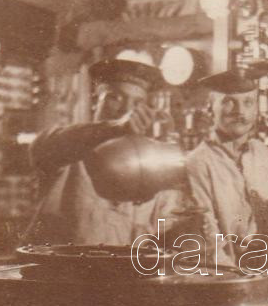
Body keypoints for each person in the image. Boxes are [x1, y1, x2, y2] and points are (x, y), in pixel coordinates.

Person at [25, 49, 187, 245]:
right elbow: (42, 146)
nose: (126, 110)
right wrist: (116, 127)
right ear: (96, 102)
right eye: (115, 98)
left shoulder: (148, 166)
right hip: (58, 265)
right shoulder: (71, 151)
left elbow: (167, 229)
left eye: (137, 103)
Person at [185, 69, 268, 269]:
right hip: (225, 277)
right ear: (210, 109)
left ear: (256, 110)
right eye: (229, 102)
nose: (240, 112)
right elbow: (207, 239)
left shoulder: (263, 154)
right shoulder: (198, 162)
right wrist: (236, 279)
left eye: (248, 102)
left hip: (267, 275)